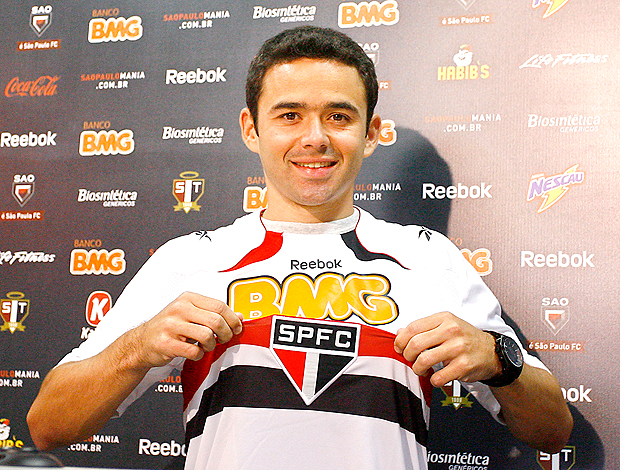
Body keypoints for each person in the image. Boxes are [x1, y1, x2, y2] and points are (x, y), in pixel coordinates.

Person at [28, 26, 572, 469]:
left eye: (339, 116)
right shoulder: (191, 259)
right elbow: (48, 426)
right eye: (289, 115)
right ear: (251, 128)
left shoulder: (428, 258)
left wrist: (500, 362)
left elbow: (554, 431)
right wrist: (138, 347)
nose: (315, 137)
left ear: (370, 132)